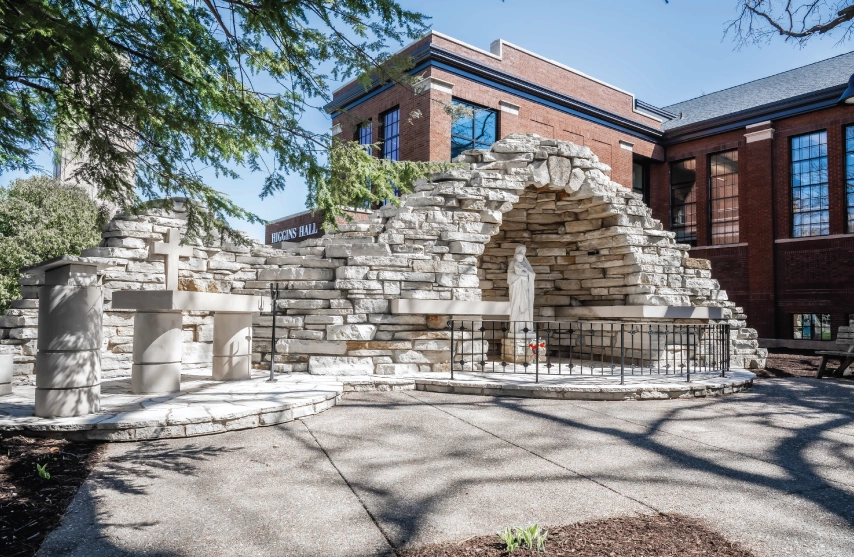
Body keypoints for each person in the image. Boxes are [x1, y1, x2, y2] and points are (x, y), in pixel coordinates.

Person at [507, 245, 535, 334]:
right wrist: (520, 277)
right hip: (517, 289)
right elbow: (510, 277)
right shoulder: (513, 262)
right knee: (517, 306)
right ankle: (516, 328)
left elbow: (532, 274)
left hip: (525, 288)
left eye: (524, 252)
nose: (523, 254)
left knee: (526, 307)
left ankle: (527, 327)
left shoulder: (525, 263)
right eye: (522, 251)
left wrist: (527, 273)